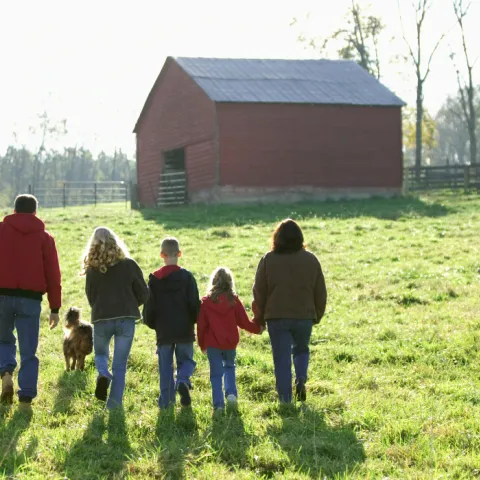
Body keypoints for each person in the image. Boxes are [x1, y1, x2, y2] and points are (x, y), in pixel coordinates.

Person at [252, 219, 327, 403]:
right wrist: (316, 314)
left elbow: (259, 291)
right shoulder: (311, 259)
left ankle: (285, 399)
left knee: (281, 358)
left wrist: (259, 319)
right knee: (301, 350)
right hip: (304, 316)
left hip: (277, 317)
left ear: (277, 238)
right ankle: (300, 379)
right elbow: (320, 291)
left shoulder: (268, 260)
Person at [0, 194, 61, 408]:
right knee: (28, 350)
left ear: (14, 211)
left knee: (3, 340)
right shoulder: (45, 238)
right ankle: (25, 398)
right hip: (31, 300)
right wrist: (54, 307)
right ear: (35, 212)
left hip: (1, 296)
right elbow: (53, 275)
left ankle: (6, 372)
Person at [83, 227, 148, 409]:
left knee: (101, 354)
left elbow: (90, 297)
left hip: (101, 318)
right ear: (115, 242)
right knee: (120, 364)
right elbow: (143, 293)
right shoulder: (129, 265)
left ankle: (103, 373)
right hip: (126, 318)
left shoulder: (92, 270)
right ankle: (113, 406)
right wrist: (131, 303)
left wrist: (100, 309)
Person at [143, 237, 200, 409]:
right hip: (184, 329)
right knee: (187, 361)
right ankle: (182, 379)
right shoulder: (187, 278)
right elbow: (194, 304)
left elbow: (149, 307)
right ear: (179, 254)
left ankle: (166, 403)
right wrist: (194, 320)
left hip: (164, 331)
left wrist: (153, 324)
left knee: (165, 368)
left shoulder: (154, 280)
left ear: (162, 255)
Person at [198, 267, 262, 411]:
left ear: (213, 282)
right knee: (229, 367)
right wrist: (257, 328)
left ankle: (218, 404)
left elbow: (201, 326)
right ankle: (231, 394)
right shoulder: (234, 300)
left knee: (215, 374)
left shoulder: (206, 302)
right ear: (230, 282)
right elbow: (244, 323)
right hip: (230, 343)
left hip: (212, 344)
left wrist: (202, 344)